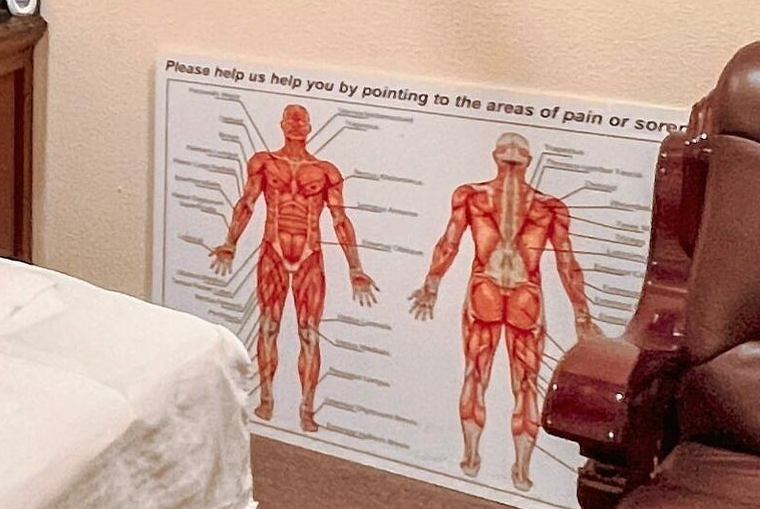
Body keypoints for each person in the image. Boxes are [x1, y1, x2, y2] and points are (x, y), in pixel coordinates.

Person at [409, 131, 591, 488]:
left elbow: (566, 262)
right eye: (506, 151)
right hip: (492, 291)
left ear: (527, 159)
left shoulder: (547, 207)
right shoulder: (472, 196)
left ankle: (517, 465)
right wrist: (431, 283)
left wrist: (582, 313)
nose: (510, 157)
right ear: (495, 156)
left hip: (514, 293)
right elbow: (450, 241)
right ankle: (477, 454)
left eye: (516, 151)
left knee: (517, 382)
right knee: (482, 374)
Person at [217, 104, 372, 433]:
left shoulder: (326, 171)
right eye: (293, 119)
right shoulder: (264, 163)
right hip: (273, 251)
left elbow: (340, 220)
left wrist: (355, 267)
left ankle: (306, 408)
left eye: (303, 120)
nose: (298, 124)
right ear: (283, 123)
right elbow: (247, 202)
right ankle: (267, 398)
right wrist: (230, 242)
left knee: (309, 333)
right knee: (269, 325)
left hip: (310, 255)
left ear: (311, 127)